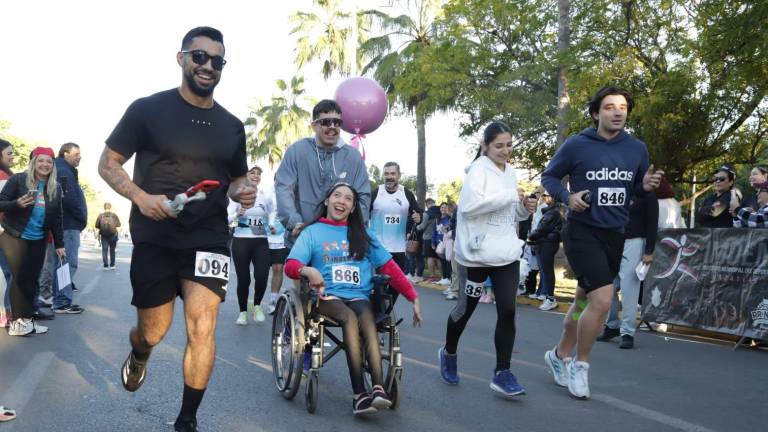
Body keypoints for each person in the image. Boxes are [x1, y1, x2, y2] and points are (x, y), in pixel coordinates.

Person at [98, 26, 256, 432]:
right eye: (199, 57)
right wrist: (140, 197)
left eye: (216, 61)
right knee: (154, 330)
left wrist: (244, 191)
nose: (208, 66)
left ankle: (187, 420)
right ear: (181, 58)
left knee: (203, 324)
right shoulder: (147, 110)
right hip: (156, 236)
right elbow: (108, 163)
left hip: (208, 237)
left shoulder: (231, 126)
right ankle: (140, 353)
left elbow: (236, 180)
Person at [541, 85, 662, 399]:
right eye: (609, 107)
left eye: (622, 107)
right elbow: (549, 177)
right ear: (596, 113)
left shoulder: (636, 148)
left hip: (615, 234)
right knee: (604, 300)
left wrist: (645, 186)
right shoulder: (577, 145)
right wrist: (568, 196)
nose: (618, 111)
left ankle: (558, 354)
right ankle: (580, 367)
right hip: (581, 232)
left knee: (584, 301)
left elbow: (634, 189)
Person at [284, 182, 422, 415]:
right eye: (336, 195)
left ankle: (377, 387)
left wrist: (412, 296)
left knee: (367, 317)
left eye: (348, 198)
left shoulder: (364, 234)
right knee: (349, 317)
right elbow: (292, 264)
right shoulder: (312, 232)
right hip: (327, 296)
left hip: (359, 295)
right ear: (327, 200)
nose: (341, 201)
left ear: (353, 206)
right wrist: (307, 271)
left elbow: (389, 266)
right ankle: (359, 394)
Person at [438, 121, 537, 398]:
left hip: (505, 253)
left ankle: (502, 372)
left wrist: (525, 208)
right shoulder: (478, 171)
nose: (505, 151)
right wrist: (508, 196)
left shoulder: (511, 172)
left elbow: (509, 215)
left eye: (509, 145)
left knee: (508, 310)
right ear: (485, 146)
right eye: (499, 146)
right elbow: (468, 209)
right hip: (476, 256)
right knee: (465, 309)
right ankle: (449, 352)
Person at [275, 99, 371, 245]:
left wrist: (355, 227)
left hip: (340, 240)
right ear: (314, 126)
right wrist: (294, 223)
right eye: (326, 122)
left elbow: (363, 196)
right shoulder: (297, 151)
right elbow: (284, 188)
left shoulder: (353, 157)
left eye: (337, 122)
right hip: (302, 238)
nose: (332, 127)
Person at [0, 147, 65, 336]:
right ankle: (17, 323)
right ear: (34, 162)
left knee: (31, 280)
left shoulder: (56, 187)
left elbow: (57, 218)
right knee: (19, 278)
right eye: (41, 161)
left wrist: (60, 244)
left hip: (39, 239)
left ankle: (26, 320)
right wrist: (16, 203)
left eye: (49, 161)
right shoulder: (18, 180)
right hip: (14, 236)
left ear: (53, 165)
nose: (45, 164)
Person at [597, 191, 658, 349]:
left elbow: (653, 223)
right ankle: (611, 326)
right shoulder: (617, 186)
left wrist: (648, 251)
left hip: (634, 241)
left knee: (629, 289)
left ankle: (627, 332)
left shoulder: (647, 193)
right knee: (607, 286)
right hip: (612, 241)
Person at [227, 165, 272, 325]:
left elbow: (273, 212)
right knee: (244, 279)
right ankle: (243, 312)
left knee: (261, 276)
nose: (255, 176)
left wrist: (271, 222)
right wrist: (236, 214)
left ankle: (257, 305)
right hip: (241, 241)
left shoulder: (264, 196)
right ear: (246, 176)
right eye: (252, 173)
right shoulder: (238, 194)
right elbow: (227, 218)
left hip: (261, 241)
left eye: (258, 174)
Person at [51, 142, 86, 313]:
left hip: (64, 223)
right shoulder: (64, 170)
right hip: (69, 224)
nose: (80, 157)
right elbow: (69, 198)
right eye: (76, 153)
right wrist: (81, 217)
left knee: (60, 264)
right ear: (65, 154)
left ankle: (57, 299)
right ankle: (62, 301)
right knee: (67, 264)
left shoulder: (60, 169)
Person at [527, 191, 564, 311]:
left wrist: (531, 237)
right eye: (544, 196)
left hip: (547, 244)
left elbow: (542, 228)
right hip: (545, 243)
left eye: (547, 195)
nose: (544, 198)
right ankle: (548, 297)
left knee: (547, 271)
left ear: (554, 197)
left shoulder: (553, 212)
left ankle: (550, 298)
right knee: (545, 270)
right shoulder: (550, 210)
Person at [0, 138, 14, 328]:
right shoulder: (3, 177)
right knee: (8, 272)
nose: (12, 157)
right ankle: (5, 311)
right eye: (9, 153)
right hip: (5, 231)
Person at [417, 199, 440, 281]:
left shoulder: (426, 213)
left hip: (428, 237)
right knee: (438, 257)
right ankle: (445, 276)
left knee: (430, 257)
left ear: (427, 204)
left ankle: (432, 275)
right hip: (439, 237)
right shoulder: (441, 210)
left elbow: (422, 226)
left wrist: (417, 227)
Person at [95, 202, 121, 270]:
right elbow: (119, 225)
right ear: (110, 207)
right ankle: (112, 265)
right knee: (112, 250)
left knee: (104, 250)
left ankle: (105, 266)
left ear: (104, 207)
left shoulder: (100, 215)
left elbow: (97, 225)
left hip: (104, 236)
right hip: (113, 235)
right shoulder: (114, 215)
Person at [433, 203, 453, 285]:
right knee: (442, 260)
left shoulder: (449, 219)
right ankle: (445, 277)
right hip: (439, 242)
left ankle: (449, 278)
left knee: (448, 261)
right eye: (442, 207)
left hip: (446, 242)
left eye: (445, 207)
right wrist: (433, 242)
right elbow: (434, 231)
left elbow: (448, 230)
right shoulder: (437, 219)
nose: (443, 209)